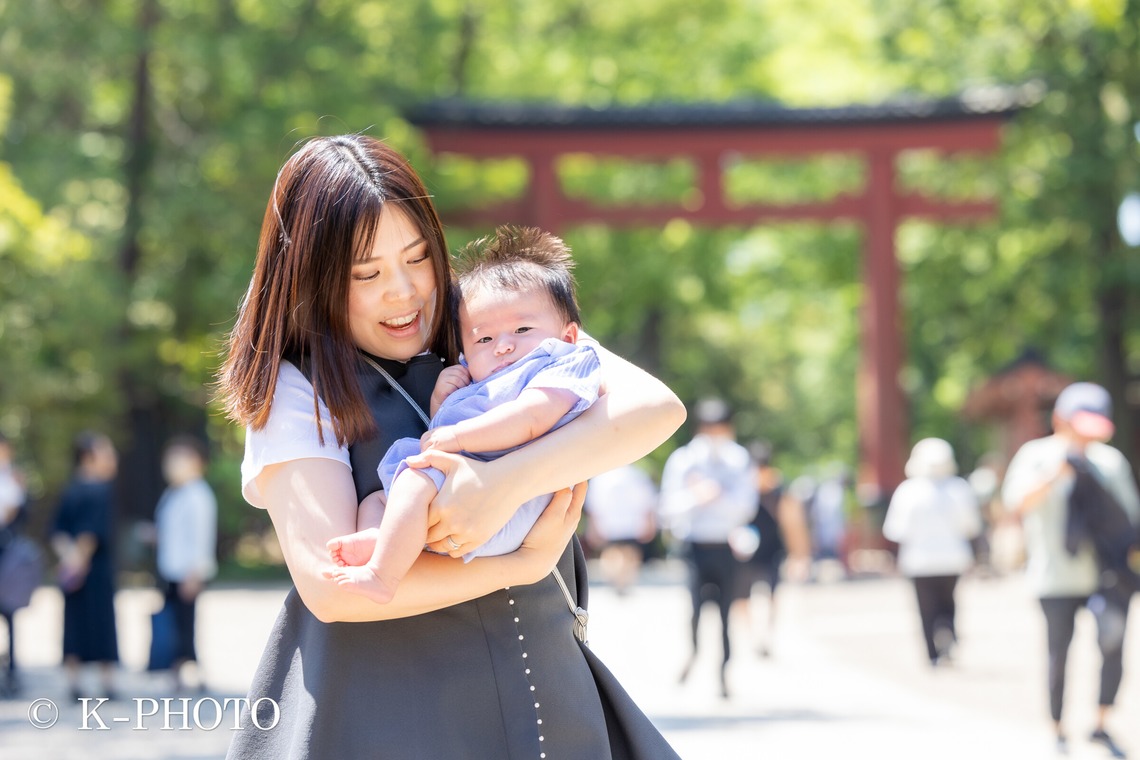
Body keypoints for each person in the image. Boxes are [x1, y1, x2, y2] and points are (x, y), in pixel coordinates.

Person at [216, 134, 686, 759]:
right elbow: (330, 587)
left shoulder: (495, 321)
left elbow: (655, 409)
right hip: (393, 720)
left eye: (418, 259)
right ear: (311, 279)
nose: (404, 291)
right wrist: (517, 566)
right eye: (366, 274)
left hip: (544, 698)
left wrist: (502, 484)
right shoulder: (297, 388)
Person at [325, 226, 602, 604]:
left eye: (522, 328)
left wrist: (458, 437)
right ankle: (384, 541)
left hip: (515, 503)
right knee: (378, 499)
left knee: (416, 479)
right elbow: (442, 428)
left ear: (568, 336)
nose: (502, 346)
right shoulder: (477, 380)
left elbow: (530, 418)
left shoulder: (559, 363)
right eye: (484, 339)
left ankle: (382, 575)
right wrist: (442, 401)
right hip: (468, 489)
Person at [1002, 382, 1140, 757]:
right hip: (1055, 574)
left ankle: (1101, 723)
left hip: (1105, 575)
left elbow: (1129, 518)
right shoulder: (1036, 456)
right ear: (1061, 419)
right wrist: (1054, 476)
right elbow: (1015, 503)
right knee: (1058, 653)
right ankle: (1057, 727)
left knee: (1113, 644)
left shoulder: (1109, 462)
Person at [660, 398, 758, 698]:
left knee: (727, 613)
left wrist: (716, 496)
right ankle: (693, 653)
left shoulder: (738, 459)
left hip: (726, 545)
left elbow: (746, 506)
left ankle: (724, 672)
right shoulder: (683, 460)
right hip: (694, 545)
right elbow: (668, 507)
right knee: (695, 610)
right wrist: (697, 497)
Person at [882, 438, 982, 667]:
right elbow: (971, 526)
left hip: (919, 560)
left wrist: (893, 560)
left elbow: (896, 531)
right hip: (953, 558)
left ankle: (932, 653)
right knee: (948, 602)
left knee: (926, 608)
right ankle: (947, 632)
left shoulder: (908, 491)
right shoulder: (958, 488)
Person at [51, 431, 119, 701]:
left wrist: (68, 560)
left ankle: (74, 682)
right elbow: (90, 534)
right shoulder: (99, 490)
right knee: (101, 623)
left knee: (74, 623)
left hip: (72, 569)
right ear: (88, 457)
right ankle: (107, 683)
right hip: (94, 569)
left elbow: (57, 530)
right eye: (106, 453)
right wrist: (78, 561)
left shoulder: (70, 488)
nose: (112, 458)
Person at [153, 435, 218, 690]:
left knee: (185, 622)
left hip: (187, 571)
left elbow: (202, 535)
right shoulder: (173, 493)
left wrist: (196, 572)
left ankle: (192, 671)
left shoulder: (197, 494)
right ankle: (178, 671)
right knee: (175, 621)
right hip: (171, 568)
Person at [731, 441, 788, 658]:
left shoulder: (778, 489)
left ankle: (766, 636)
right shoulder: (740, 488)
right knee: (742, 596)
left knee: (772, 595)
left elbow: (789, 519)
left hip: (772, 550)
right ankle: (752, 637)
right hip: (744, 552)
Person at [583, 462, 659, 595]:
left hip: (612, 525)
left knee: (615, 555)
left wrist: (592, 527)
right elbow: (648, 502)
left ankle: (620, 583)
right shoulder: (637, 474)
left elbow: (593, 505)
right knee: (626, 555)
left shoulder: (602, 476)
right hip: (628, 525)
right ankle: (622, 582)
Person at [0, 433, 28, 697]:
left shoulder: (12, 479)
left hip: (6, 551)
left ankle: (12, 671)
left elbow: (16, 515)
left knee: (8, 611)